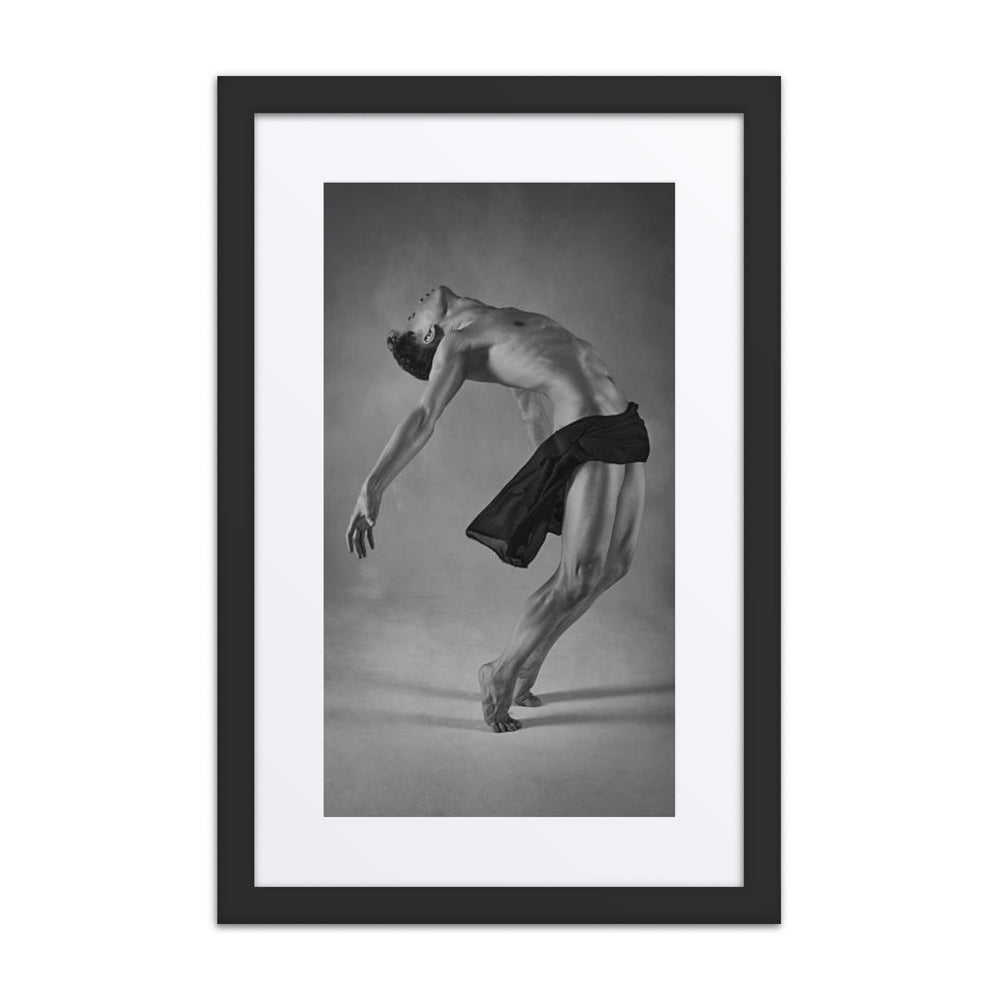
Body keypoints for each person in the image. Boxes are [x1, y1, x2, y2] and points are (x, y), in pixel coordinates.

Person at [346, 286, 650, 733]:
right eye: (413, 315)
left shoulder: (495, 322)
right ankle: (501, 671)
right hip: (591, 429)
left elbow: (531, 410)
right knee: (580, 574)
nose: (416, 302)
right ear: (430, 334)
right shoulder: (457, 343)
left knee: (615, 567)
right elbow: (423, 418)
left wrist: (555, 484)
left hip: (622, 421)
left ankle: (530, 659)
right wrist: (372, 486)